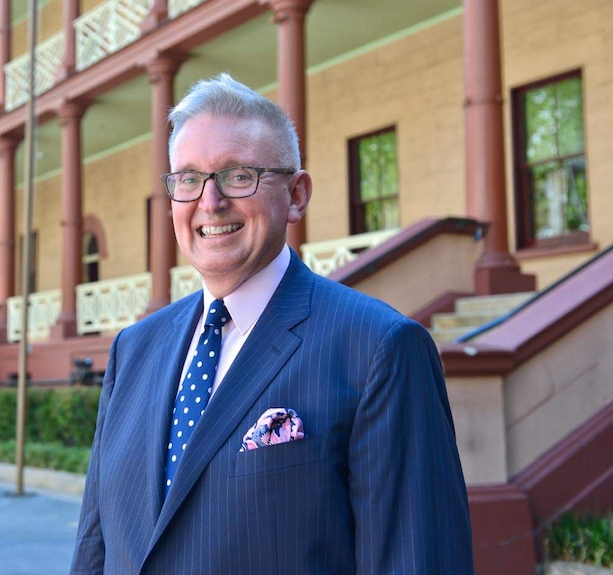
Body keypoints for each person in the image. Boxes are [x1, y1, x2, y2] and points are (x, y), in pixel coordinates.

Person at [70, 73, 474, 574]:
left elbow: (415, 558)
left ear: (297, 194)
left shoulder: (377, 347)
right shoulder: (134, 349)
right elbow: (96, 543)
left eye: (238, 175)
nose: (209, 202)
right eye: (189, 179)